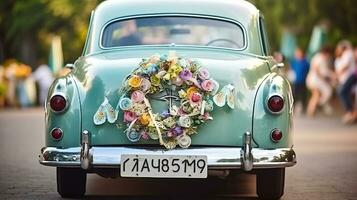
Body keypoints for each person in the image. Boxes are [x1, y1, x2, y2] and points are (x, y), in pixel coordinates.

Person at [306, 46, 335, 117]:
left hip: (314, 80)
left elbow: (324, 70)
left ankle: (311, 110)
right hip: (315, 81)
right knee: (318, 95)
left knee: (315, 95)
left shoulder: (319, 58)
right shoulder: (319, 58)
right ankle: (315, 108)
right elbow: (316, 69)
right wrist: (322, 77)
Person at [335, 42, 357, 123]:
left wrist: (337, 74)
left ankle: (350, 111)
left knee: (343, 92)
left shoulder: (348, 53)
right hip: (350, 76)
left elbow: (346, 65)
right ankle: (351, 113)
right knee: (346, 93)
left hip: (352, 75)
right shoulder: (344, 55)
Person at [290, 48, 310, 112]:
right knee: (295, 94)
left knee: (303, 94)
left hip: (303, 81)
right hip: (296, 81)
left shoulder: (305, 62)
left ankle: (304, 107)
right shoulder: (294, 62)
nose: (297, 54)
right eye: (296, 53)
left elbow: (308, 70)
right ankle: (294, 106)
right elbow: (291, 70)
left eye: (299, 53)